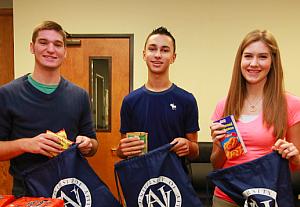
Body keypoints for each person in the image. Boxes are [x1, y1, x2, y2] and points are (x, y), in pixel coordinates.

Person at [210, 29, 300, 207]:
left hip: (266, 201)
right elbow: (217, 164)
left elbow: (297, 163)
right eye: (248, 56)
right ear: (240, 61)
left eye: (262, 57)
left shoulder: (291, 104)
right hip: (226, 200)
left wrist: (293, 154)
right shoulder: (224, 105)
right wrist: (220, 144)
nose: (253, 63)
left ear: (273, 62)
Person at [0, 21, 98, 197]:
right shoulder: (8, 94)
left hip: (70, 190)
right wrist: (26, 144)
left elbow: (93, 145)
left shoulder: (79, 95)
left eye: (58, 44)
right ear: (32, 47)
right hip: (27, 193)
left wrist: (88, 145)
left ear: (65, 52)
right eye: (43, 42)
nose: (51, 49)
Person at [117, 26, 199, 164]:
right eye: (152, 49)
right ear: (144, 54)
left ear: (173, 57)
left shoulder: (187, 100)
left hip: (175, 181)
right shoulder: (130, 101)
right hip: (140, 180)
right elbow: (124, 150)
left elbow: (195, 152)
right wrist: (121, 150)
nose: (158, 55)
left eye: (165, 50)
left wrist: (188, 146)